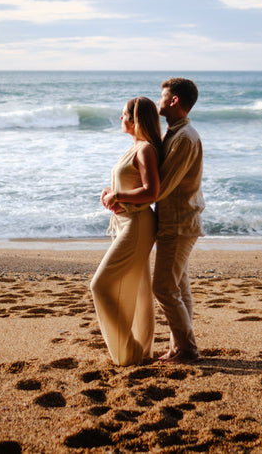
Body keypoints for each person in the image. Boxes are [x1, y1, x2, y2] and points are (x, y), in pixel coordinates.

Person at [91, 96, 163, 366]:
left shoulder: (145, 149)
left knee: (100, 285)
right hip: (127, 222)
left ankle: (130, 351)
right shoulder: (133, 147)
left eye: (124, 114)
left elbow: (151, 191)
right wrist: (111, 193)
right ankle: (138, 352)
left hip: (138, 224)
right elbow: (132, 184)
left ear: (136, 119)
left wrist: (118, 194)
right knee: (136, 286)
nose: (121, 118)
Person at [152, 77, 204, 364]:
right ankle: (179, 346)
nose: (159, 101)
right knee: (179, 287)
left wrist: (122, 197)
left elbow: (163, 186)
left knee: (163, 287)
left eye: (162, 97)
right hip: (177, 221)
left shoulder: (184, 137)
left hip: (180, 223)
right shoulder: (175, 133)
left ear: (174, 101)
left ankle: (186, 349)